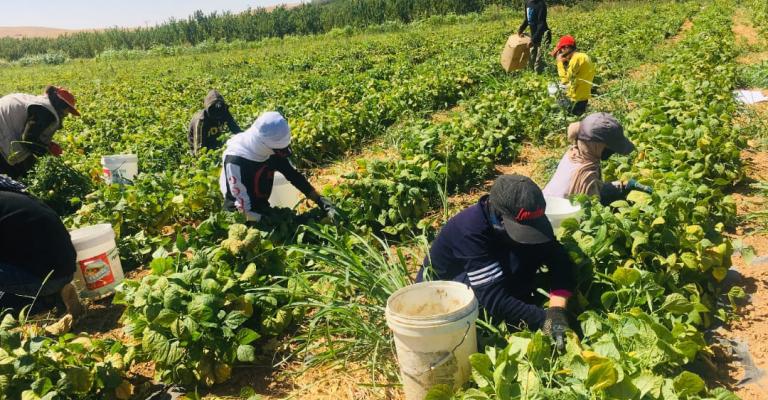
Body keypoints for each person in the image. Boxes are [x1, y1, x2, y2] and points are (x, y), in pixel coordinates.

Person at [419, 174, 575, 347]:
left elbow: (558, 257)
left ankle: (521, 301)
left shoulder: (527, 214)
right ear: (499, 216)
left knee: (535, 248)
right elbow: (494, 299)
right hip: (444, 295)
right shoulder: (469, 230)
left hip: (494, 269)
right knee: (480, 301)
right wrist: (544, 320)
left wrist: (557, 310)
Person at [219, 111, 338, 223]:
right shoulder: (236, 161)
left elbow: (293, 175)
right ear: (263, 145)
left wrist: (320, 200)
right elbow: (242, 210)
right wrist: (274, 221)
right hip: (241, 218)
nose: (280, 153)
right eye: (278, 150)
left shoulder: (270, 149)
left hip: (262, 207)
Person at [0, 174, 83, 317]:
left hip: (46, 278)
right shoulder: (11, 195)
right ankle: (54, 294)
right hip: (66, 267)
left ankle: (43, 303)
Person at [543, 112, 651, 205]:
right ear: (596, 145)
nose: (611, 151)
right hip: (560, 217)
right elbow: (591, 212)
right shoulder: (584, 176)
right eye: (608, 147)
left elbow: (597, 188)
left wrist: (623, 185)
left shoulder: (575, 153)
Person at [0, 86, 80, 178]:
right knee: (19, 175)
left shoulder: (41, 103)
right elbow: (29, 139)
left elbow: (31, 132)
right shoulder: (45, 111)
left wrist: (48, 145)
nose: (66, 114)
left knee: (24, 169)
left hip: (5, 127)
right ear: (61, 105)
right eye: (67, 110)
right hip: (3, 135)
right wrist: (48, 152)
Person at [188, 90, 242, 156]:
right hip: (203, 149)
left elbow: (236, 130)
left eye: (220, 113)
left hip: (217, 144)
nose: (218, 117)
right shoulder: (201, 121)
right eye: (214, 113)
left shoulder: (224, 111)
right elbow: (199, 150)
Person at [551, 35, 595, 116]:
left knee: (552, 90)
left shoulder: (576, 58)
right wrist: (565, 61)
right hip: (583, 96)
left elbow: (565, 80)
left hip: (575, 99)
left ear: (566, 47)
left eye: (561, 50)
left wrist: (559, 63)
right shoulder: (582, 56)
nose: (561, 53)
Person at [517, 0, 551, 74]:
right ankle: (532, 77)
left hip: (543, 37)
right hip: (534, 37)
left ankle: (541, 77)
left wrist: (533, 40)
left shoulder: (541, 4)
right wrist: (521, 29)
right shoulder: (527, 3)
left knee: (538, 66)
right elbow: (527, 20)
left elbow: (541, 24)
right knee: (530, 62)